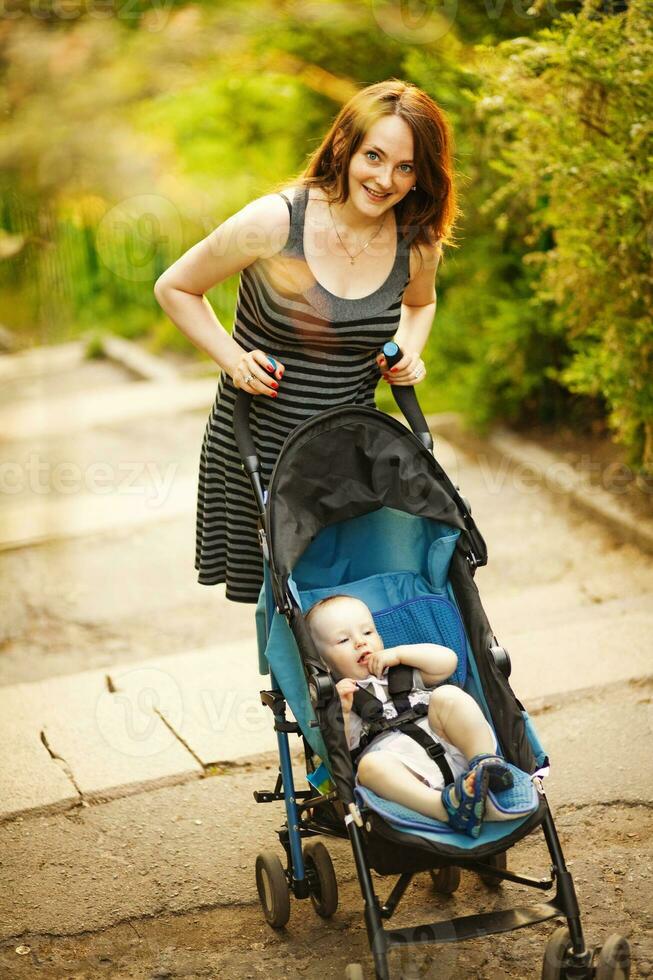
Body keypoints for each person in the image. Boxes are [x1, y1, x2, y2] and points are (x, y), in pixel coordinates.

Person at [153, 79, 457, 603]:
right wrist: (232, 358)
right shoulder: (275, 221)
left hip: (346, 456)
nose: (385, 179)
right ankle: (295, 689)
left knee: (355, 603)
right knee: (285, 607)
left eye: (405, 167)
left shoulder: (417, 245)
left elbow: (420, 303)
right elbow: (176, 286)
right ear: (344, 146)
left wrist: (408, 348)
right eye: (374, 156)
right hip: (258, 448)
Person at [306, 594, 517, 838]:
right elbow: (337, 751)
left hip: (456, 750)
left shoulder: (401, 672)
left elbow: (448, 662)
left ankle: (485, 761)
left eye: (368, 633)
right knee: (369, 767)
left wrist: (398, 655)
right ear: (324, 663)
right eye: (343, 640)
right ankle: (444, 807)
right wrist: (340, 710)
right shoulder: (337, 698)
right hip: (408, 779)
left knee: (448, 695)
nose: (359, 643)